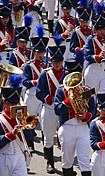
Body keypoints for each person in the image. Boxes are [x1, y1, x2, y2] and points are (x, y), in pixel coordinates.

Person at [54, 62, 95, 176]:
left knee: (85, 160)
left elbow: (93, 109)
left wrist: (86, 116)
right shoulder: (61, 91)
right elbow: (57, 110)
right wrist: (67, 100)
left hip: (83, 128)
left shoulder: (87, 90)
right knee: (67, 160)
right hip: (67, 127)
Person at [36, 37, 66, 174]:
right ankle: (50, 162)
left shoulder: (67, 74)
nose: (57, 64)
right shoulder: (45, 74)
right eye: (55, 61)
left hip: (64, 109)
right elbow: (39, 92)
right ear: (51, 61)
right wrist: (49, 98)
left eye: (59, 61)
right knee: (48, 137)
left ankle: (67, 165)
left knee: (65, 138)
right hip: (49, 108)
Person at [0, 79, 29, 176]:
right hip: (4, 157)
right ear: (4, 103)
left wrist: (26, 126)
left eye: (16, 104)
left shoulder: (22, 116)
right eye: (11, 104)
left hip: (20, 156)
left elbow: (29, 138)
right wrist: (12, 133)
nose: (14, 106)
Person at [22, 27, 49, 150]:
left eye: (42, 53)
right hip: (32, 95)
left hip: (42, 96)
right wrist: (37, 81)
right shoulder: (29, 66)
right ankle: (30, 144)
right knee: (30, 120)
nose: (40, 55)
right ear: (34, 52)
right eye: (38, 52)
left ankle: (45, 145)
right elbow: (25, 82)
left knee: (43, 121)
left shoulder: (47, 66)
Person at [83, 4, 105, 94]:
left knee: (104, 95)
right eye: (99, 29)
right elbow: (87, 56)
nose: (102, 31)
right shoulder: (90, 39)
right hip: (92, 68)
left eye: (104, 29)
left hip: (104, 70)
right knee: (90, 96)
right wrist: (98, 56)